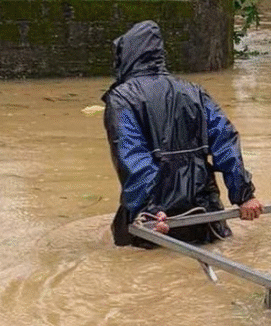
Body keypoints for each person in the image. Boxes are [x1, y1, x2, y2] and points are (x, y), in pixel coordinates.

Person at [102, 20, 262, 246]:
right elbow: (225, 141)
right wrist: (244, 195)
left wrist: (148, 211)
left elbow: (132, 157)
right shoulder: (193, 92)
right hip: (203, 210)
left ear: (126, 56)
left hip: (157, 218)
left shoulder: (122, 98)